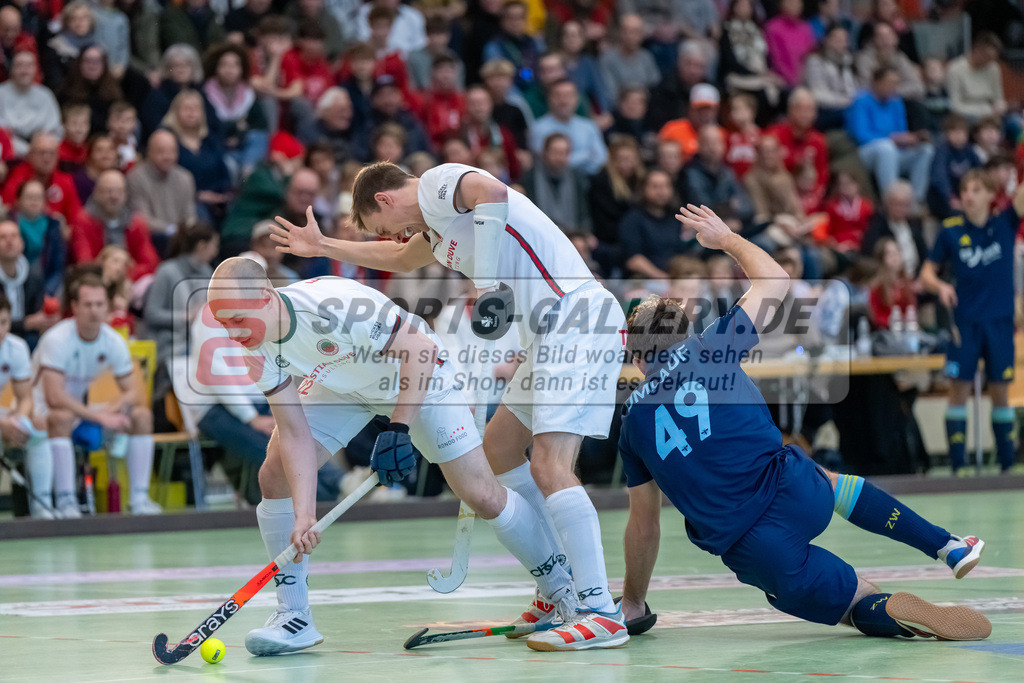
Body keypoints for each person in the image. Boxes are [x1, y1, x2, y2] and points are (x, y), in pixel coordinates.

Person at [271, 160, 630, 649]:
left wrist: (482, 285)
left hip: (577, 317)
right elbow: (399, 261)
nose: (394, 237)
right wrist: (324, 247)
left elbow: (492, 190)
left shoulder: (439, 185)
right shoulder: (437, 231)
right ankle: (557, 590)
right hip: (545, 334)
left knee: (551, 464)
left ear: (385, 199)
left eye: (386, 228)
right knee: (500, 449)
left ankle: (599, 610)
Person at [617, 203, 992, 643]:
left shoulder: (633, 425)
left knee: (853, 603)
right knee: (830, 481)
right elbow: (775, 280)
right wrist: (725, 239)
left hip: (754, 547)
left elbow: (645, 526)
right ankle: (947, 545)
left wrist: (633, 603)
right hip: (795, 489)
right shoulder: (711, 345)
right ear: (685, 332)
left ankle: (878, 604)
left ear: (637, 357)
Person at [204, 260, 576, 655]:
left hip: (417, 371)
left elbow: (420, 351)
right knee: (274, 474)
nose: (232, 333)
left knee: (481, 493)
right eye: (222, 323)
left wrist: (398, 429)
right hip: (341, 385)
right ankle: (293, 618)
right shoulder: (257, 349)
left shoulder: (333, 305)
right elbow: (293, 433)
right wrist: (303, 514)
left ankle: (562, 590)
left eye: (237, 319)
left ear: (265, 298)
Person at [920, 169, 1024, 473]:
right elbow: (925, 274)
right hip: (964, 324)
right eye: (965, 189)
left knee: (1001, 393)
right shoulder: (950, 230)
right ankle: (958, 467)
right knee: (959, 391)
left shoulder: (1005, 222)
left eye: (977, 189)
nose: (969, 195)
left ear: (992, 195)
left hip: (1000, 323)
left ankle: (1007, 465)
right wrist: (940, 286)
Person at [32, 272, 161, 517]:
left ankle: (139, 499)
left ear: (108, 307)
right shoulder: (56, 339)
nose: (94, 310)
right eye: (88, 304)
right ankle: (66, 501)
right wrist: (99, 416)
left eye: (100, 304)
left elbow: (133, 392)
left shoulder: (113, 341)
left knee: (142, 416)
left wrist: (111, 410)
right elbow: (54, 397)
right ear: (75, 308)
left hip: (83, 411)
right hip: (42, 411)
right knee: (60, 417)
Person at [846, 67, 934, 204]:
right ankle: (892, 201)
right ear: (876, 82)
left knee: (925, 150)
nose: (893, 87)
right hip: (866, 152)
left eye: (895, 83)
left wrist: (912, 138)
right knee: (886, 148)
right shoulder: (861, 101)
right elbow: (861, 135)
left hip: (893, 150)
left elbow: (901, 131)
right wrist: (892, 139)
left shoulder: (896, 102)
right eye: (889, 83)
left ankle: (915, 202)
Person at [0, 291, 51, 518]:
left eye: (4, 323)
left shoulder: (16, 347)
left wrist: (19, 420)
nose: (0, 330)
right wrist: (3, 425)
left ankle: (42, 506)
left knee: (37, 425)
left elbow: (25, 397)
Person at [71, 170, 160, 280]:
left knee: (148, 283)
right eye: (108, 191)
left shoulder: (137, 223)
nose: (114, 196)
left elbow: (150, 262)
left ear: (125, 194)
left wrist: (124, 273)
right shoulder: (84, 220)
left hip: (130, 279)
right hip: (94, 280)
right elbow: (84, 262)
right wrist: (107, 272)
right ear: (96, 193)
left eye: (119, 191)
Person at [125, 130, 198, 255]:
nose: (167, 156)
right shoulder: (135, 178)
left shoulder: (185, 177)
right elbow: (142, 219)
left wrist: (185, 231)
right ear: (149, 152)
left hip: (180, 238)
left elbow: (190, 215)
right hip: (152, 238)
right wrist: (171, 230)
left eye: (172, 151)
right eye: (161, 151)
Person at [620, 170, 696, 278]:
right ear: (643, 189)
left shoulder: (676, 217)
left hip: (677, 276)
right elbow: (633, 261)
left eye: (666, 186)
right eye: (655, 187)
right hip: (646, 279)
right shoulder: (633, 219)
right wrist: (664, 279)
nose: (661, 191)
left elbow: (684, 251)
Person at [529, 79, 607, 175]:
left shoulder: (589, 126)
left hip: (589, 182)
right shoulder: (538, 128)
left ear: (577, 99)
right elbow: (549, 163)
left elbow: (601, 159)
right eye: (558, 96)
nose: (564, 100)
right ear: (549, 98)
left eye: (568, 95)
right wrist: (586, 156)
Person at [2, 133, 83, 225]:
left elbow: (76, 217)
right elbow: (7, 210)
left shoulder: (65, 181)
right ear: (30, 155)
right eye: (42, 152)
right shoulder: (18, 177)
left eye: (52, 153)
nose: (47, 158)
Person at [521, 133, 590, 234]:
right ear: (545, 152)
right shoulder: (529, 178)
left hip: (572, 236)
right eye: (555, 152)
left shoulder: (577, 178)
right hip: (538, 234)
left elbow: (584, 214)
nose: (560, 158)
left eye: (564, 153)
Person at [0, 51, 63, 157]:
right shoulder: (1, 93)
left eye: (29, 66)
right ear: (12, 69)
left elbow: (55, 131)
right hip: (7, 154)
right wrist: (24, 149)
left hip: (41, 155)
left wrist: (36, 148)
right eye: (19, 65)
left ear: (35, 69)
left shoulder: (45, 95)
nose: (24, 71)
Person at [598, 14, 659, 101]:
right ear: (620, 33)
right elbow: (610, 92)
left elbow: (654, 87)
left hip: (645, 108)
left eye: (636, 32)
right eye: (627, 31)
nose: (631, 36)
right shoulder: (607, 59)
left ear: (642, 35)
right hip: (618, 110)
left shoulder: (647, 57)